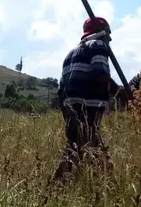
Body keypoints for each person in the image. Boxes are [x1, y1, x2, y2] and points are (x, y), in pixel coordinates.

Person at [52, 16, 128, 181]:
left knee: (88, 148)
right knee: (78, 149)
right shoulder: (99, 46)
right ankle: (53, 189)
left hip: (71, 108)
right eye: (108, 33)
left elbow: (61, 90)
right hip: (88, 109)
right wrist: (120, 93)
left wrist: (66, 113)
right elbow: (100, 74)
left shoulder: (70, 54)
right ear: (101, 33)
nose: (110, 38)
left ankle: (107, 186)